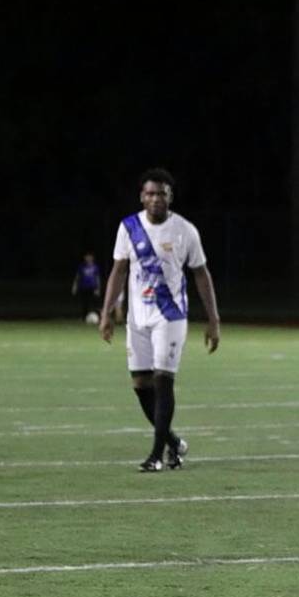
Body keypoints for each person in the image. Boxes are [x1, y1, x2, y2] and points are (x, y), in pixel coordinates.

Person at [99, 168, 220, 472]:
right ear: (142, 196)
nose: (155, 199)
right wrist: (106, 312)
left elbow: (201, 274)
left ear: (170, 197)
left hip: (171, 316)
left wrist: (213, 319)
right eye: (150, 193)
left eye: (161, 194)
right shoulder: (128, 227)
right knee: (141, 384)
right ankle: (174, 444)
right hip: (138, 318)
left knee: (163, 381)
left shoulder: (185, 230)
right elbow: (118, 271)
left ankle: (156, 456)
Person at [71, 251, 102, 320]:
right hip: (84, 287)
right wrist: (75, 286)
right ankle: (84, 317)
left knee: (94, 303)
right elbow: (78, 277)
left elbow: (97, 278)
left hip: (93, 287)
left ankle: (98, 317)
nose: (88, 258)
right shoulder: (82, 267)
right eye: (87, 257)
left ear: (92, 258)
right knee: (84, 303)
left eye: (90, 257)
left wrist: (98, 288)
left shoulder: (95, 267)